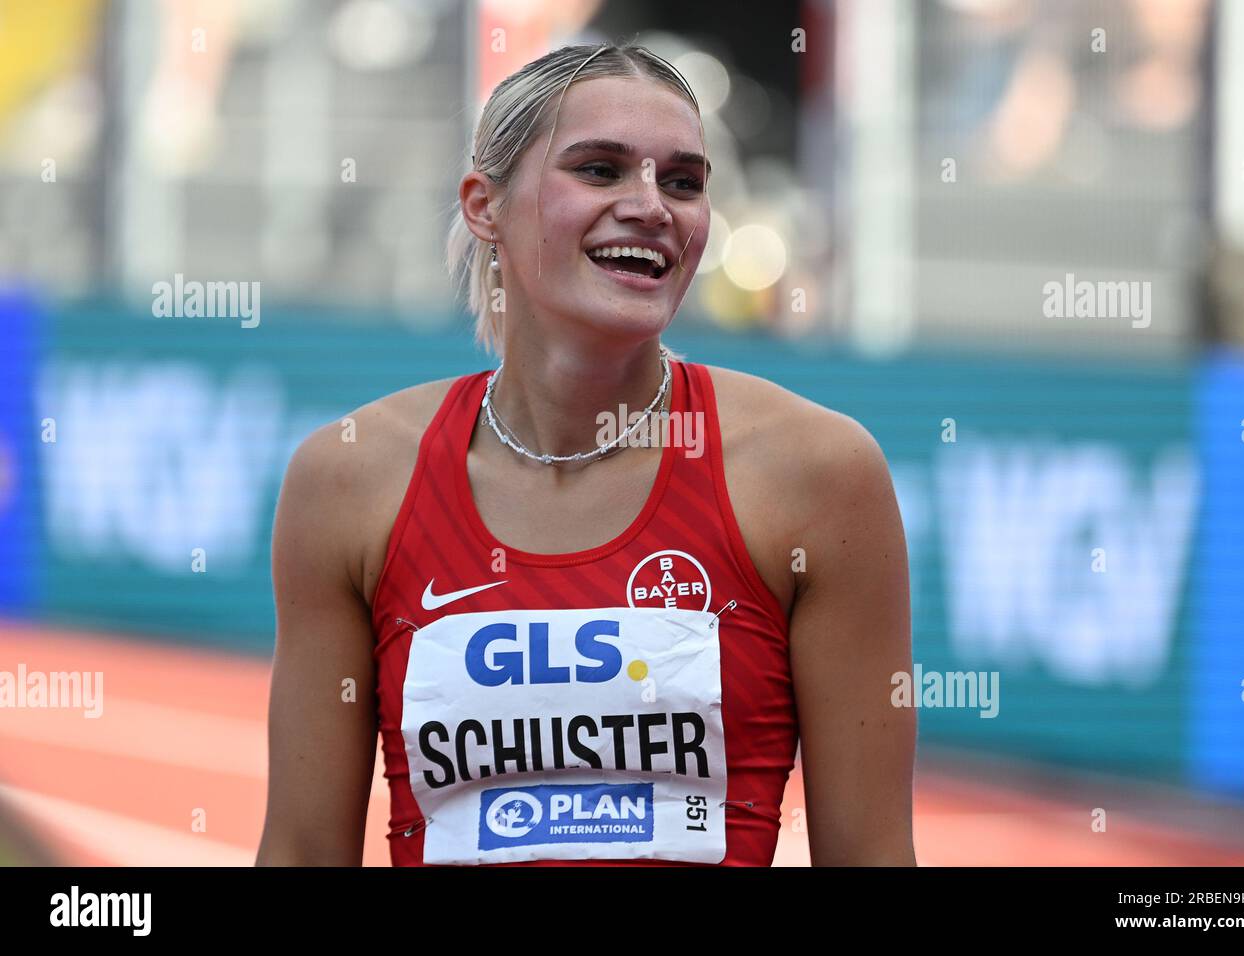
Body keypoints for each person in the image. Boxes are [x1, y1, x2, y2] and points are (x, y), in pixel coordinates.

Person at [255, 42, 915, 867]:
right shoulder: (349, 481)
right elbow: (302, 851)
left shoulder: (816, 474)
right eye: (600, 170)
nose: (651, 206)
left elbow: (874, 857)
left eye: (682, 181)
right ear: (483, 205)